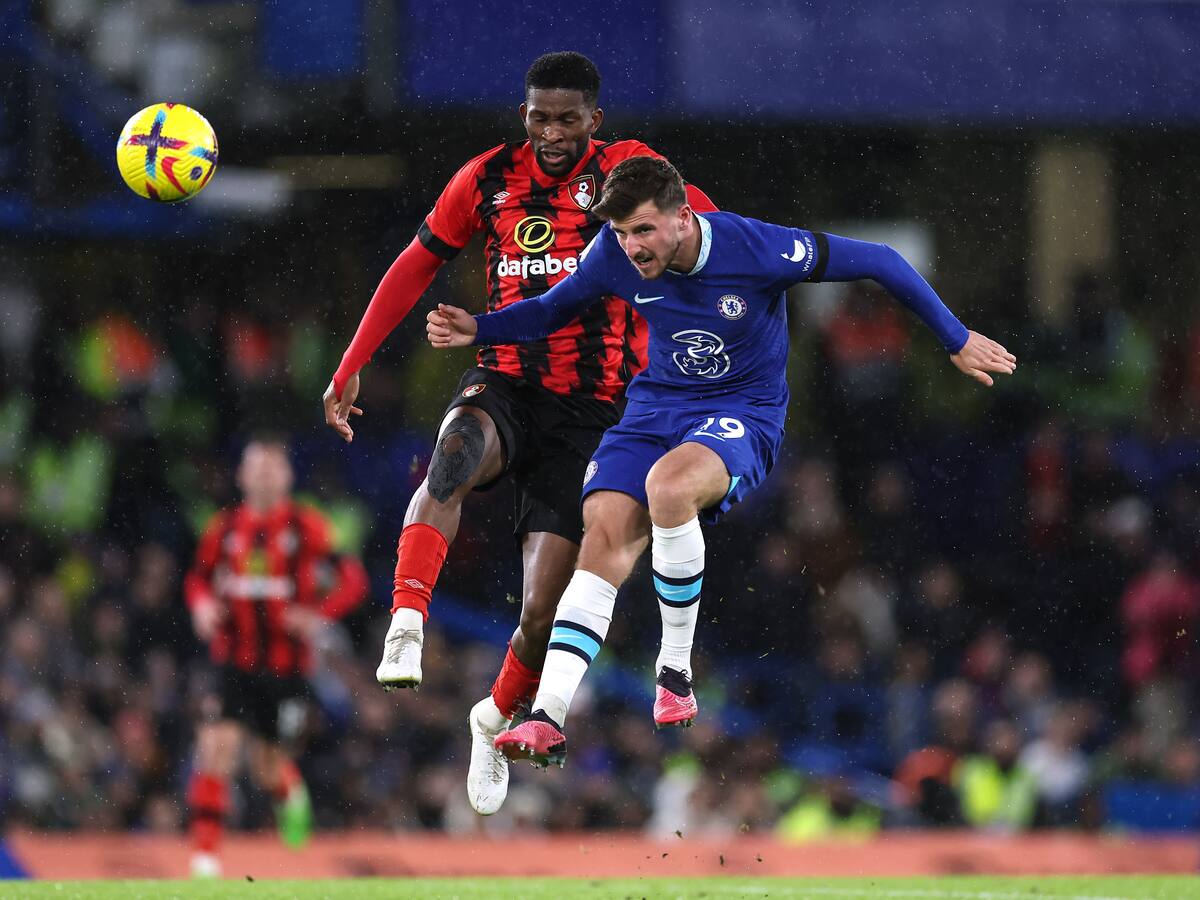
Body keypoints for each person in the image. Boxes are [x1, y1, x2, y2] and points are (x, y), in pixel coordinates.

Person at [426, 156, 1017, 767]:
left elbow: (881, 261)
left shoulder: (753, 247)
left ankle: (674, 668)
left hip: (742, 412)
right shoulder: (612, 252)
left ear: (684, 219)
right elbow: (552, 308)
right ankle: (547, 715)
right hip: (655, 408)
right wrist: (480, 326)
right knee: (600, 536)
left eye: (644, 230)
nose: (631, 246)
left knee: (668, 487)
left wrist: (956, 337)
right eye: (623, 233)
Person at [321, 52, 716, 814]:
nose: (553, 132)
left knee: (543, 611)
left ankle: (493, 716)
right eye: (540, 116)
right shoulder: (487, 178)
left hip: (598, 411)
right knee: (453, 455)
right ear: (524, 114)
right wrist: (352, 361)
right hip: (505, 379)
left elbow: (707, 230)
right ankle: (407, 621)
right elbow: (413, 265)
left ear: (595, 121)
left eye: (569, 118)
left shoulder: (632, 172)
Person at [183, 438, 367, 877]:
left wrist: (318, 614)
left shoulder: (308, 528)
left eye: (273, 468)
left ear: (287, 476)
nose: (265, 476)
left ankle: (289, 792)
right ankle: (205, 859)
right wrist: (203, 607)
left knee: (265, 765)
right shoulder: (224, 529)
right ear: (242, 476)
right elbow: (198, 580)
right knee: (216, 748)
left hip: (285, 668)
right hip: (231, 660)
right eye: (257, 468)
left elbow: (352, 580)